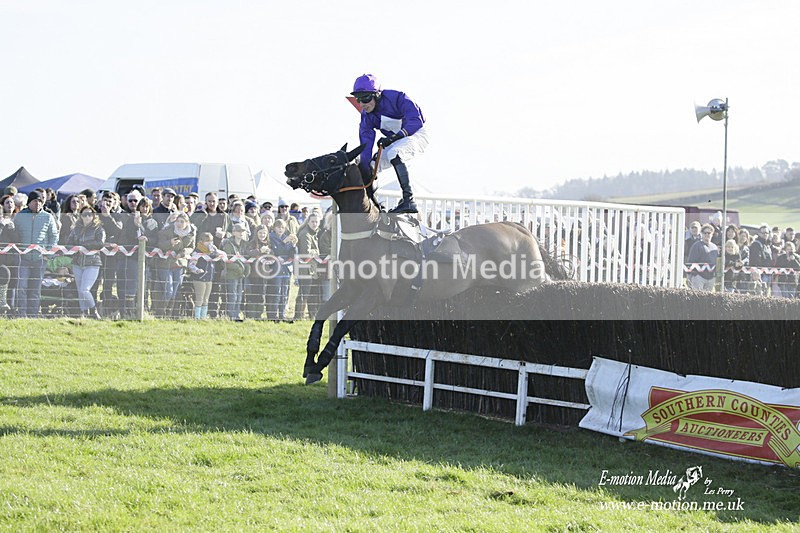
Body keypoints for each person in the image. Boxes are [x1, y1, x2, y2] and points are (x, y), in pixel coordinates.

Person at [351, 73, 428, 213]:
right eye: (358, 100)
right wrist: (363, 167)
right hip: (396, 141)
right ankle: (374, 205)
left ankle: (409, 200)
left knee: (394, 153)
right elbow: (366, 146)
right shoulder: (366, 117)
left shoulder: (398, 98)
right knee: (370, 166)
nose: (362, 104)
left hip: (417, 134)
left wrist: (395, 136)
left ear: (377, 95)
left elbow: (416, 121)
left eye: (366, 98)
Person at [14, 190, 59, 317]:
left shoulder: (48, 217)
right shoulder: (20, 216)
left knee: (35, 289)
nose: (38, 204)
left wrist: (48, 253)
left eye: (40, 201)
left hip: (40, 259)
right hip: (23, 258)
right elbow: (13, 234)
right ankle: (21, 314)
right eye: (35, 201)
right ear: (29, 202)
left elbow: (53, 236)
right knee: (22, 287)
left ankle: (33, 314)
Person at [66, 207, 106, 319]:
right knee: (80, 291)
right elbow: (69, 244)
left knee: (85, 289)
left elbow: (100, 244)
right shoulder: (75, 229)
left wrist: (83, 245)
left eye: (89, 214)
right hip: (78, 262)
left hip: (93, 262)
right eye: (84, 214)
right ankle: (83, 313)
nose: (87, 217)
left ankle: (93, 311)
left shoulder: (99, 229)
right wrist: (75, 248)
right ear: (80, 216)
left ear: (94, 216)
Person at [155, 212, 196, 318]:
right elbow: (159, 244)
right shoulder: (167, 231)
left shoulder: (191, 233)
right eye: (178, 221)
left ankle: (168, 314)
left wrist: (183, 253)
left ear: (187, 223)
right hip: (166, 264)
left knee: (174, 292)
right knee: (168, 290)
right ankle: (159, 314)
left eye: (182, 221)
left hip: (180, 264)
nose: (179, 223)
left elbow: (191, 247)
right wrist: (170, 243)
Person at [267, 218, 297, 320]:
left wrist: (293, 245)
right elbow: (277, 251)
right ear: (274, 227)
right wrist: (284, 242)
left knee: (285, 292)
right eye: (278, 227)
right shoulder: (271, 237)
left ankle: (282, 314)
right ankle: (273, 315)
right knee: (276, 292)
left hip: (286, 269)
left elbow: (293, 254)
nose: (281, 229)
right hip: (276, 268)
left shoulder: (286, 238)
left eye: (283, 227)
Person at [221, 223, 250, 321]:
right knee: (232, 295)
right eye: (238, 231)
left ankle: (236, 314)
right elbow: (226, 261)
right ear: (233, 232)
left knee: (239, 296)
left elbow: (245, 258)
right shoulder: (228, 244)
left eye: (242, 231)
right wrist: (238, 268)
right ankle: (231, 315)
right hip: (231, 274)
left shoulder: (244, 244)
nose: (241, 233)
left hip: (241, 274)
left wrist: (247, 269)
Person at [187, 232, 219, 319]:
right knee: (199, 298)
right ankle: (197, 317)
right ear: (201, 241)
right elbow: (191, 265)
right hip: (199, 278)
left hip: (209, 278)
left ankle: (203, 317)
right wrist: (197, 270)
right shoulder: (197, 252)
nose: (210, 243)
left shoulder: (212, 252)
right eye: (207, 241)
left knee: (206, 299)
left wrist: (215, 251)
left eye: (211, 241)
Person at [686, 224, 718, 291]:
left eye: (709, 233)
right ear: (701, 234)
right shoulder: (696, 245)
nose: (707, 234)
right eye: (705, 233)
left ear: (712, 234)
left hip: (711, 278)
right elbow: (690, 261)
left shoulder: (715, 247)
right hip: (699, 277)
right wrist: (693, 275)